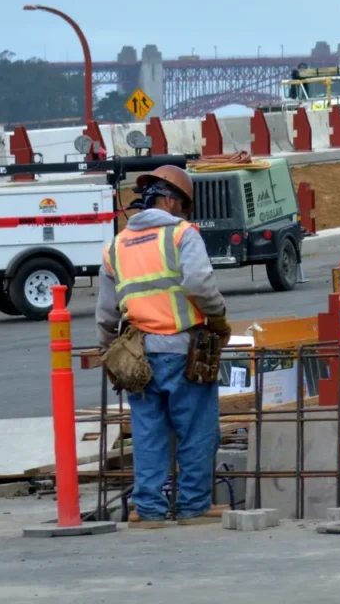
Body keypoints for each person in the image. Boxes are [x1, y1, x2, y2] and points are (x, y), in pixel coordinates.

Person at [96, 165, 231, 527]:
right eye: (183, 206)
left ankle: (149, 510)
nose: (184, 213)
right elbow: (200, 285)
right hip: (183, 350)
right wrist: (218, 319)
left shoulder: (116, 246)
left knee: (148, 433)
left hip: (138, 356)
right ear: (171, 201)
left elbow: (106, 315)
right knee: (197, 430)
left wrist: (111, 353)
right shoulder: (181, 235)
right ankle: (192, 506)